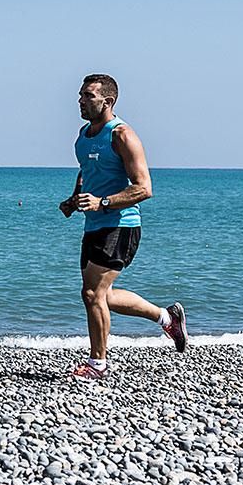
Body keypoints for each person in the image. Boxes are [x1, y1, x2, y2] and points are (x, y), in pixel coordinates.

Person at [59, 74, 189, 379]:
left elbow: (144, 188)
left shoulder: (122, 136)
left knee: (92, 294)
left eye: (88, 96)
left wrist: (102, 202)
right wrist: (75, 198)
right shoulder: (84, 135)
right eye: (80, 95)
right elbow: (87, 170)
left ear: (108, 101)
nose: (80, 101)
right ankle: (166, 317)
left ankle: (97, 364)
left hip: (121, 224)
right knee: (103, 295)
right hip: (95, 224)